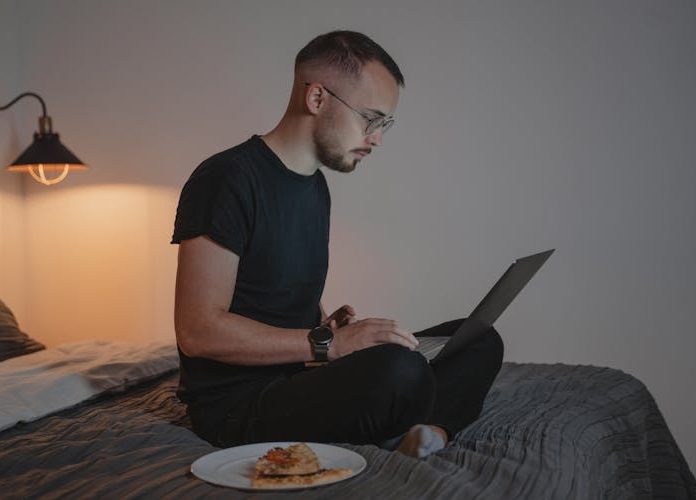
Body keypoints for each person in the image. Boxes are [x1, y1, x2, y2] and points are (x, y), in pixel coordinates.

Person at [172, 30, 503, 458]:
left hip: (299, 375)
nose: (377, 138)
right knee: (400, 370)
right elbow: (197, 332)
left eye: (384, 124)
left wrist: (328, 327)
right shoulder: (225, 179)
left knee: (477, 339)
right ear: (316, 99)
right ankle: (415, 415)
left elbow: (280, 295)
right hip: (237, 407)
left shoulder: (315, 188)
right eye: (371, 119)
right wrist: (327, 346)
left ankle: (428, 433)